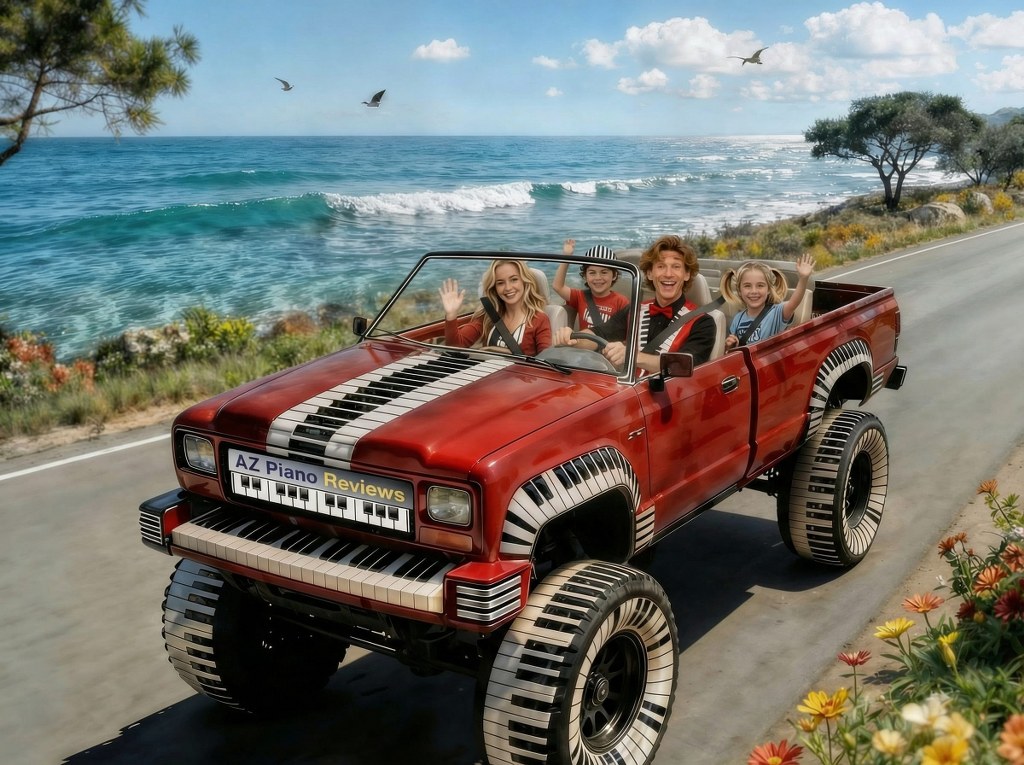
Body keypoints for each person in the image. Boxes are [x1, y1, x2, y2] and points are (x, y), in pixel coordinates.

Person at [554, 235, 717, 374]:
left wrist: (632, 356)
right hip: (633, 396)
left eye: (676, 267)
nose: (668, 274)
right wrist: (573, 339)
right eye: (661, 267)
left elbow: (686, 364)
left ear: (687, 274)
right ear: (650, 273)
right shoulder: (634, 311)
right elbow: (599, 334)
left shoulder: (703, 322)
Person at [439, 259, 552, 355]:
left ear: (524, 281)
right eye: (500, 283)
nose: (508, 288)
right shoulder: (488, 316)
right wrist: (451, 315)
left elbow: (546, 363)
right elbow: (456, 346)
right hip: (488, 377)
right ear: (495, 288)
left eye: (514, 279)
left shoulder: (539, 319)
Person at [722, 253, 815, 349]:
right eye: (747, 286)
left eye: (760, 285)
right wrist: (731, 345)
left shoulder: (776, 313)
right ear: (740, 291)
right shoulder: (737, 319)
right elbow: (733, 350)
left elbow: (793, 303)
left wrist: (803, 279)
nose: (754, 291)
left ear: (769, 290)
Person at [553, 239, 630, 331]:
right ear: (585, 276)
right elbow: (558, 286)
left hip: (609, 345)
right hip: (584, 344)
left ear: (614, 275)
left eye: (604, 272)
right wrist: (566, 257)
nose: (598, 277)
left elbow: (627, 334)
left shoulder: (621, 302)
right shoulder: (580, 297)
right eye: (592, 273)